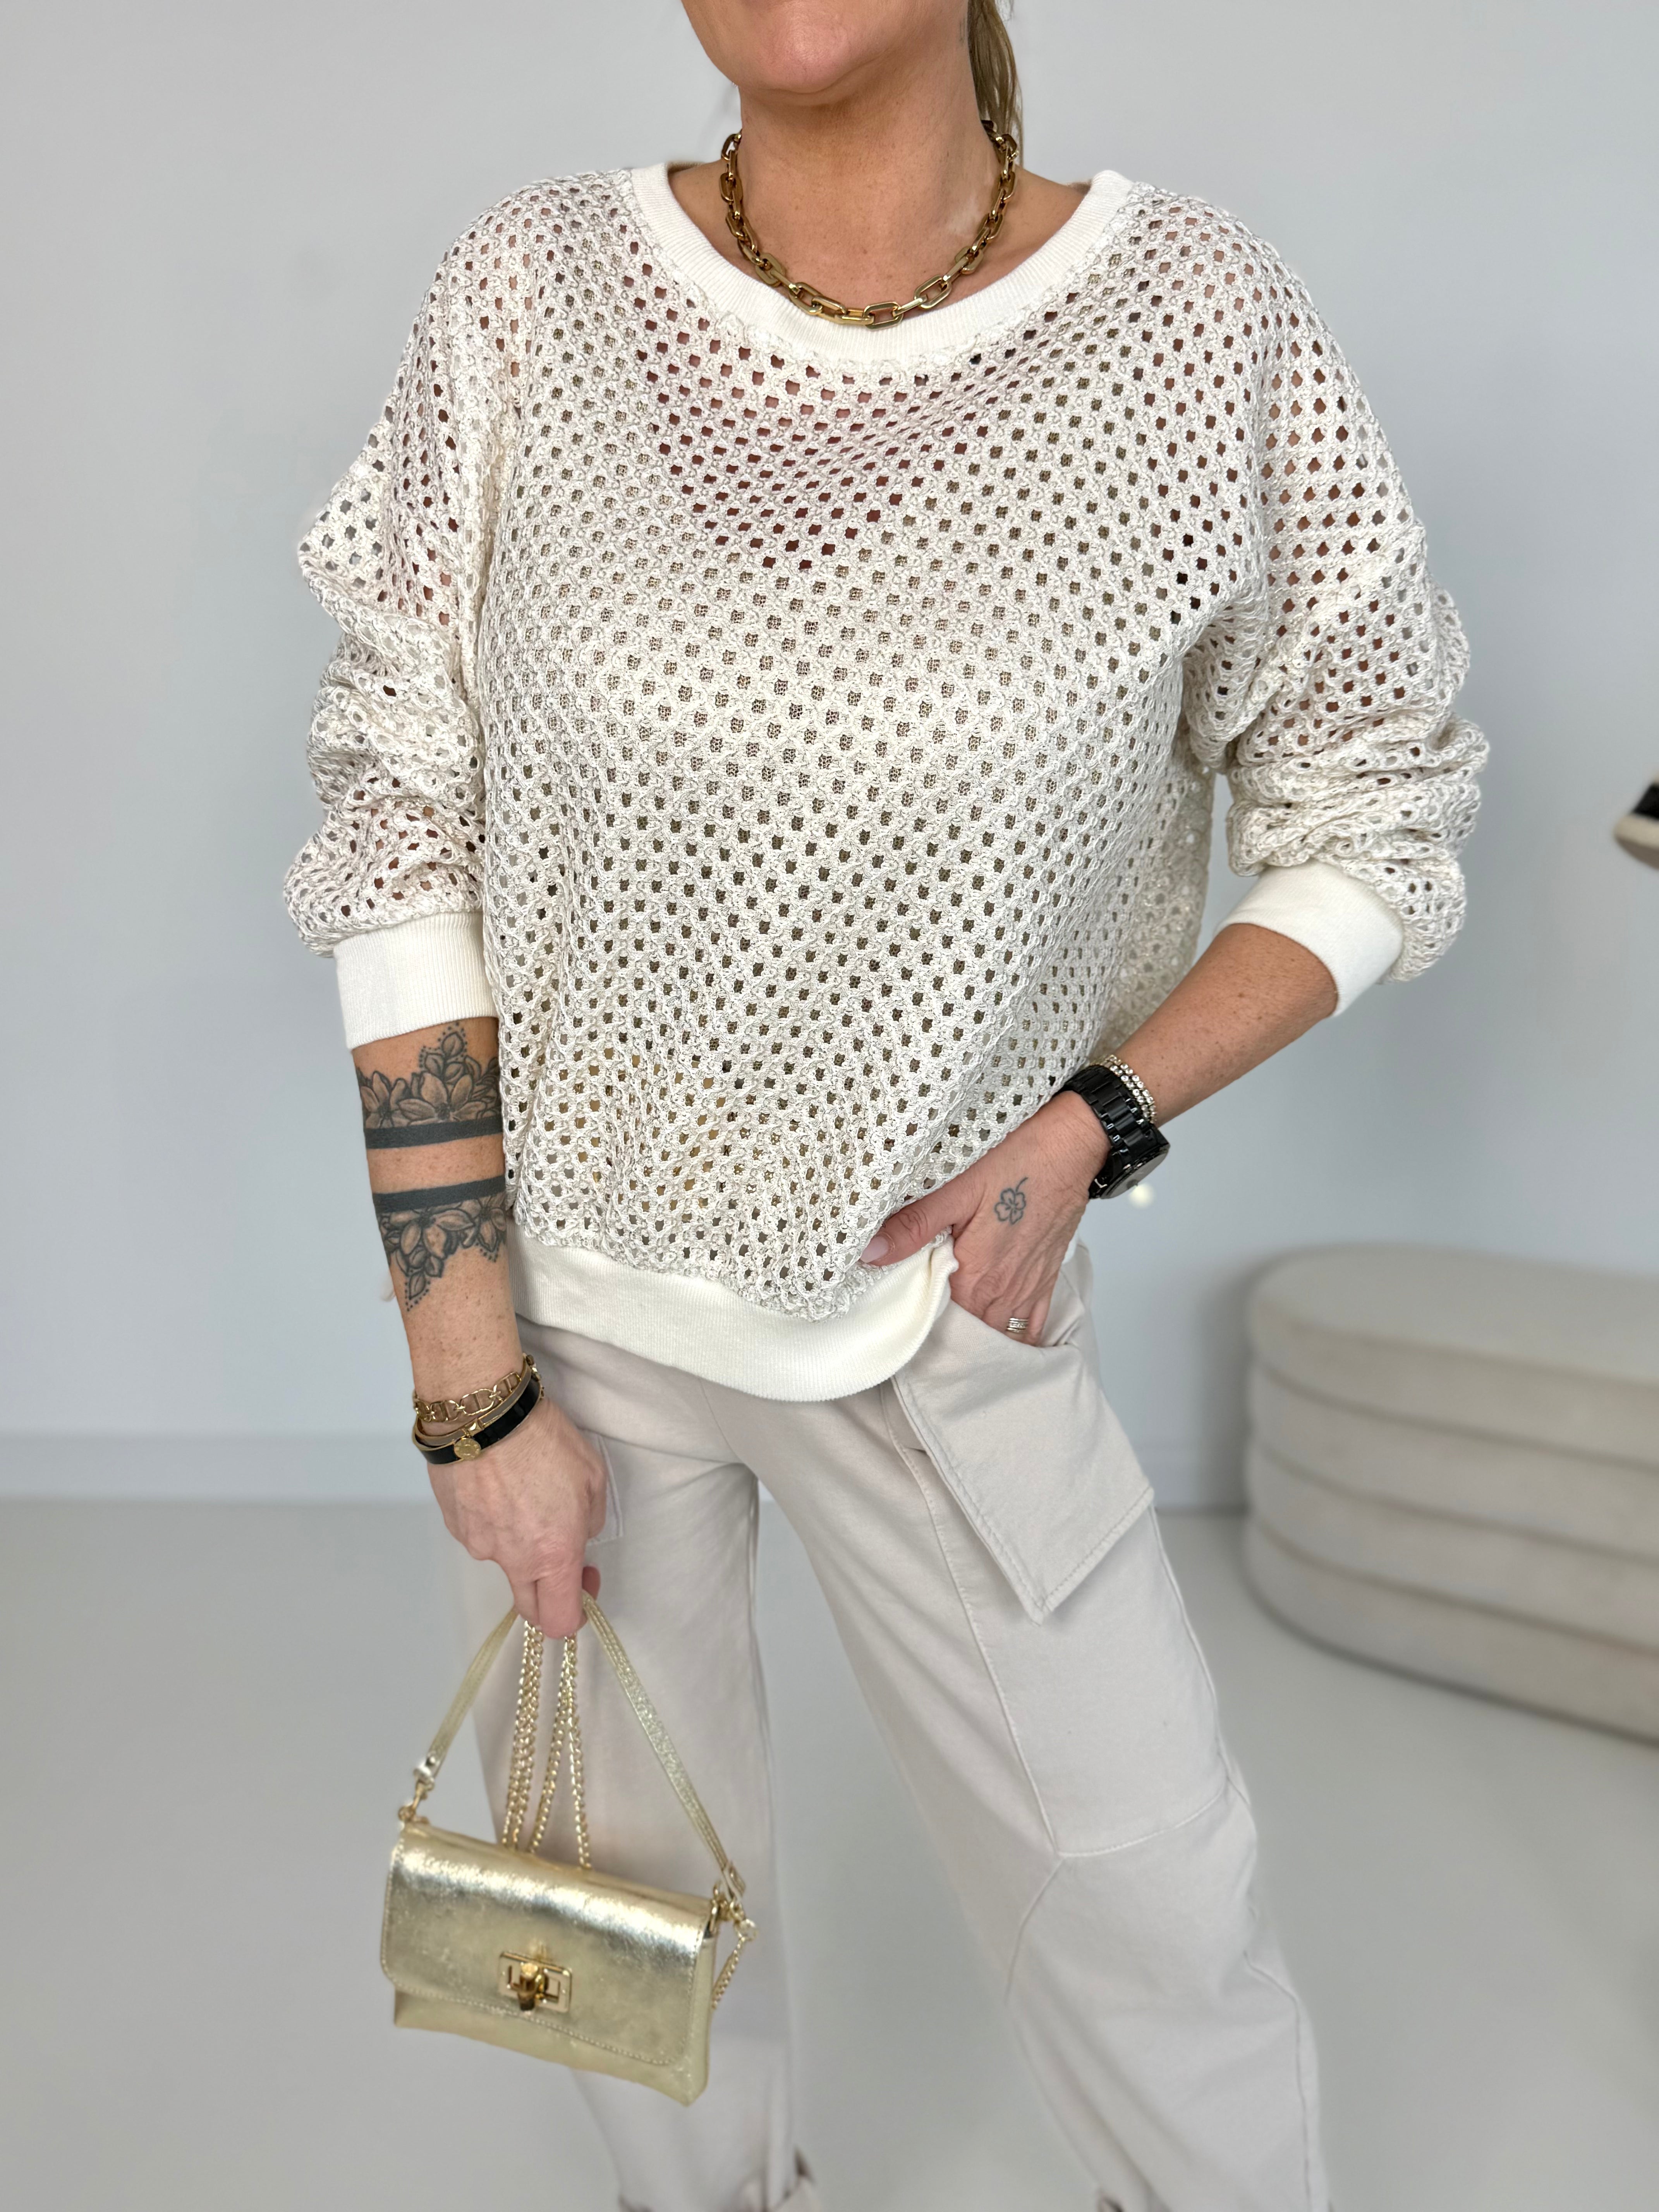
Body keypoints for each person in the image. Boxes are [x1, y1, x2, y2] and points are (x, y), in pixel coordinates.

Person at [284, 3, 1485, 2206]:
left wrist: (1098, 1117)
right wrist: (468, 1377)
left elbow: (1379, 807)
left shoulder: (1195, 321)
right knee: (619, 1932)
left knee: (1154, 1908)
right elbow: (399, 824)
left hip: (939, 1310)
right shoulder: (530, 292)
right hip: (566, 1318)